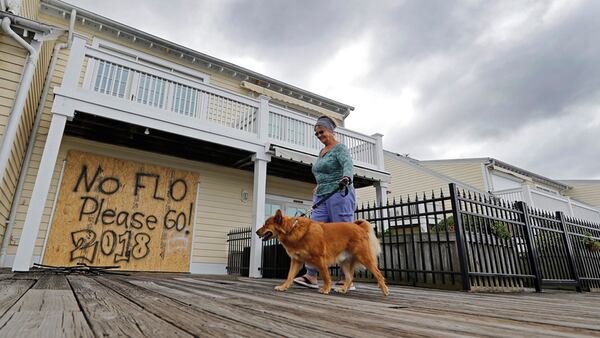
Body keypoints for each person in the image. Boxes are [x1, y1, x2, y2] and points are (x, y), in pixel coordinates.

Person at [293, 115, 357, 291]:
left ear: (330, 131)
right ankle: (311, 275)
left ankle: (347, 279)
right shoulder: (322, 153)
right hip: (322, 196)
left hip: (340, 193)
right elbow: (322, 173)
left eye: (321, 131)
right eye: (316, 133)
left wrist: (346, 178)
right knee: (314, 233)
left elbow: (347, 165)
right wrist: (319, 186)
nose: (319, 135)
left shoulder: (340, 149)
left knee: (343, 235)